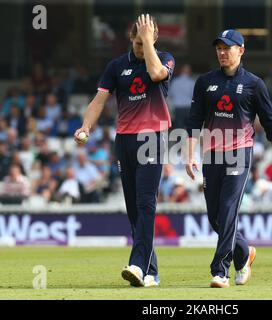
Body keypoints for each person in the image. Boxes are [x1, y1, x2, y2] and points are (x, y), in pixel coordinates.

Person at [74, 14, 175, 288]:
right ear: (131, 39)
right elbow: (99, 100)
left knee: (146, 203)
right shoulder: (117, 66)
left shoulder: (164, 58)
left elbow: (156, 74)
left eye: (147, 42)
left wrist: (149, 41)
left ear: (154, 40)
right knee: (133, 209)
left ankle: (138, 265)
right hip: (125, 140)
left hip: (152, 137)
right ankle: (151, 272)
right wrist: (86, 127)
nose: (142, 48)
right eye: (139, 43)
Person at [185, 29, 272, 288]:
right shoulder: (205, 81)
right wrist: (190, 154)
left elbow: (270, 124)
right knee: (215, 218)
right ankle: (245, 254)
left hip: (239, 152)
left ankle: (220, 271)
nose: (222, 52)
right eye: (218, 48)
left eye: (227, 48)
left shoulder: (254, 84)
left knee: (229, 209)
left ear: (240, 50)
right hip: (211, 154)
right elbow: (194, 121)